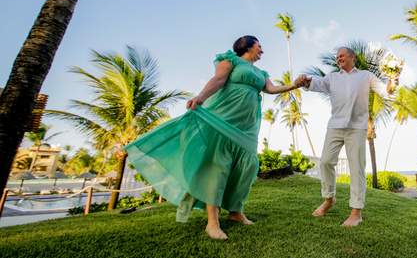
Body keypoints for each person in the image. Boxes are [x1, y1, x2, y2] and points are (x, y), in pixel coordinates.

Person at [125, 36, 306, 240]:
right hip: (223, 118)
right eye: (259, 46)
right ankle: (213, 222)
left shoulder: (261, 73)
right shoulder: (230, 60)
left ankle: (236, 212)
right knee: (218, 166)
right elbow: (218, 80)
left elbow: (272, 89)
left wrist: (294, 85)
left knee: (245, 168)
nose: (262, 49)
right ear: (247, 46)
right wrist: (200, 98)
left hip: (247, 126)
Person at [301, 46, 395, 227]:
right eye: (337, 57)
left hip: (357, 128)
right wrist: (305, 81)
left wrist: (392, 82)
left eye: (341, 56)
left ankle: (356, 212)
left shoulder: (366, 76)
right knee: (326, 162)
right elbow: (317, 83)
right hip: (335, 126)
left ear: (352, 57)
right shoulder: (332, 77)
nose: (338, 59)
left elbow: (386, 91)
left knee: (357, 169)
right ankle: (329, 199)